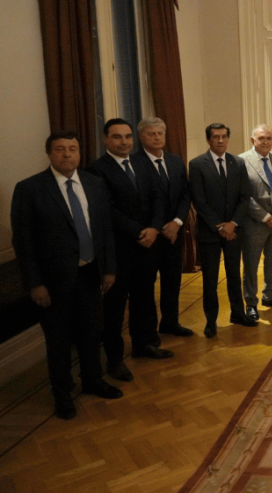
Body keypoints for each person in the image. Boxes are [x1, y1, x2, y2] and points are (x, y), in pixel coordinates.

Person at [11, 132, 123, 419]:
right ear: (49, 153)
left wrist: (108, 268)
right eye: (60, 149)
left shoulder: (94, 184)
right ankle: (62, 393)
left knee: (90, 331)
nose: (67, 154)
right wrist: (35, 283)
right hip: (53, 282)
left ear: (79, 153)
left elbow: (104, 230)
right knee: (59, 340)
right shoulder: (30, 189)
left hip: (90, 274)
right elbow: (24, 242)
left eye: (72, 149)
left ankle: (93, 380)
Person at [88, 118, 172, 384]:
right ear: (105, 140)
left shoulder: (140, 162)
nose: (124, 142)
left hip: (148, 245)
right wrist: (140, 231)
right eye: (117, 137)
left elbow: (158, 197)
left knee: (144, 297)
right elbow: (107, 210)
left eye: (127, 137)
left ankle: (143, 344)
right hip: (119, 249)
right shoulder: (97, 170)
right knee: (114, 308)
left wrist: (155, 228)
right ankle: (114, 360)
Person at [189, 123, 254, 338]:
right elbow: (199, 200)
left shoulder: (238, 162)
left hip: (234, 231)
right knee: (210, 278)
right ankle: (211, 320)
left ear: (228, 138)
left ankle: (238, 313)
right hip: (210, 232)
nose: (220, 140)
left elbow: (245, 197)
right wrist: (220, 226)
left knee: (234, 274)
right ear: (208, 140)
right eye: (215, 137)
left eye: (224, 136)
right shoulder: (197, 164)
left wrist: (232, 224)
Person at [133, 117, 193, 337]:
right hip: (147, 236)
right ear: (141, 137)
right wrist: (157, 227)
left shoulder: (176, 161)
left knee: (172, 281)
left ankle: (170, 322)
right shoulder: (134, 163)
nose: (157, 137)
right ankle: (148, 333)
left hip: (174, 234)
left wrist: (177, 222)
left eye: (160, 133)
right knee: (146, 287)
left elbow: (185, 194)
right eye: (151, 133)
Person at [239, 125, 272, 321]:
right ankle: (251, 303)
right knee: (251, 265)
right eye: (261, 138)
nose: (266, 142)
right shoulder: (242, 161)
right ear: (252, 140)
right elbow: (243, 194)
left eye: (269, 138)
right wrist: (264, 216)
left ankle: (269, 295)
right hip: (255, 224)